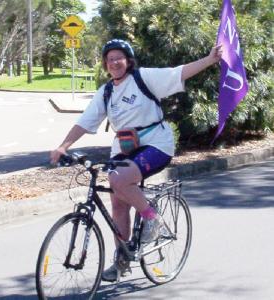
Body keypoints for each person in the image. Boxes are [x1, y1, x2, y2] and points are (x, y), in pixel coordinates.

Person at [50, 39, 223, 282]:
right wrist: (63, 146)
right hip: (124, 146)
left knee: (119, 178)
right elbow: (85, 121)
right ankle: (122, 260)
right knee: (118, 204)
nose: (114, 63)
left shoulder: (144, 78)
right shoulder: (107, 91)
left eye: (119, 58)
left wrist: (209, 59)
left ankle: (153, 219)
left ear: (128, 61)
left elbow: (178, 73)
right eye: (110, 60)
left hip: (156, 144)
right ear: (106, 64)